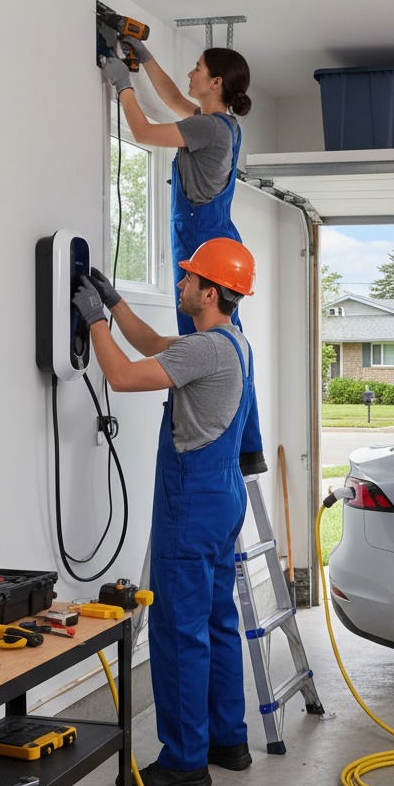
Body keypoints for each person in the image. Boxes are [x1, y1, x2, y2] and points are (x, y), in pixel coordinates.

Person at [72, 237, 257, 786]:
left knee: (179, 631)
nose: (180, 285)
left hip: (192, 504)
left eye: (188, 279)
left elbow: (125, 377)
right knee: (218, 621)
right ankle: (229, 741)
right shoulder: (230, 342)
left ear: (211, 292)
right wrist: (114, 302)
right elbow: (151, 343)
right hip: (223, 498)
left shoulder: (206, 351)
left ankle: (183, 761)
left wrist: (94, 325)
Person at [101, 42, 265, 474]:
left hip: (202, 244)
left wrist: (122, 85)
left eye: (197, 68)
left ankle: (237, 442)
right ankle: (248, 446)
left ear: (215, 83)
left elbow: (142, 132)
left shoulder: (207, 129)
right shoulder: (220, 124)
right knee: (224, 347)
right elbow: (174, 99)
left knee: (205, 345)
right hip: (212, 238)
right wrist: (144, 58)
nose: (191, 74)